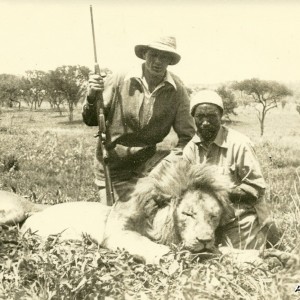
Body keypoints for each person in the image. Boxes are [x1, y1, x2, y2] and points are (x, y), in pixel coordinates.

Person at [82, 36, 195, 204]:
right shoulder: (120, 78)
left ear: (170, 60)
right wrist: (91, 96)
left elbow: (188, 137)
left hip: (149, 169)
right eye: (153, 55)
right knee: (113, 219)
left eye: (164, 57)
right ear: (144, 54)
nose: (157, 61)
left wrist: (167, 165)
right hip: (112, 166)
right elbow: (91, 120)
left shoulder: (177, 90)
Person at [180, 89, 280, 249]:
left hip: (241, 214)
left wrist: (218, 191)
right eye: (200, 117)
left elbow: (256, 190)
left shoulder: (240, 144)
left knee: (231, 254)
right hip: (208, 216)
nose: (205, 122)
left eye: (211, 116)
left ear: (221, 116)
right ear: (193, 118)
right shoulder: (190, 149)